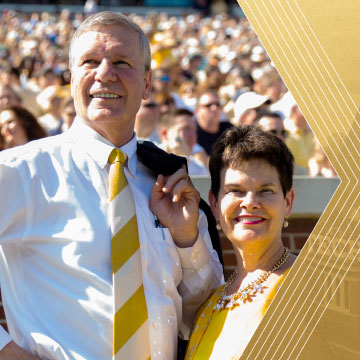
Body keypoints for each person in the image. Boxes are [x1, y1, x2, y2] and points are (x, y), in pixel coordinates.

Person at [0, 11, 223, 359]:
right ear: (71, 78)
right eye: (90, 61)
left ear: (147, 83)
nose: (105, 73)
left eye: (121, 61)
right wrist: (8, 352)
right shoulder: (21, 171)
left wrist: (185, 239)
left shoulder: (169, 182)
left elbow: (201, 315)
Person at [185, 126, 297, 359]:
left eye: (265, 190)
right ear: (215, 204)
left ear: (288, 202)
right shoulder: (208, 307)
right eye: (235, 191)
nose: (250, 202)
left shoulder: (311, 287)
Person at [159, 108, 209, 176]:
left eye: (194, 130)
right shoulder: (147, 158)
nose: (193, 135)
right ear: (165, 134)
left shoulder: (200, 170)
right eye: (186, 129)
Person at [195, 89, 232, 155]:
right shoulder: (192, 134)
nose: (214, 108)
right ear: (197, 111)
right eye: (208, 105)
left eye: (217, 104)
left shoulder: (229, 129)